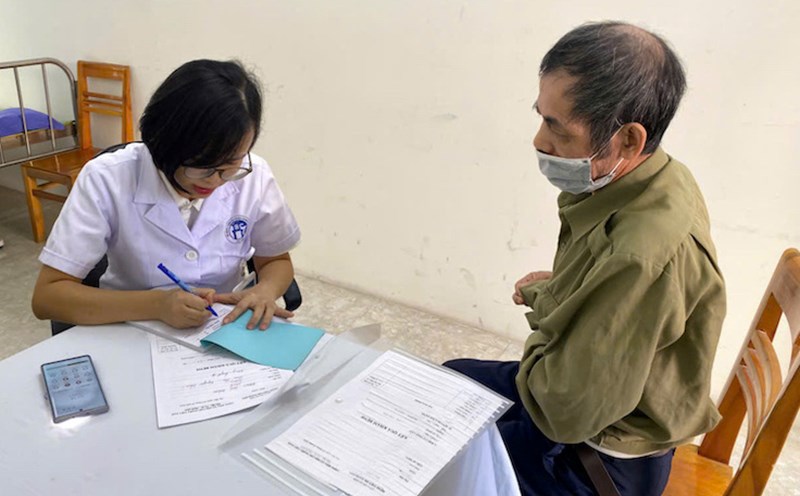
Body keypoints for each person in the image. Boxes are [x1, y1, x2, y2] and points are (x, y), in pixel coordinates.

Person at [445, 21, 726, 495]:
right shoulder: (659, 177)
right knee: (448, 384)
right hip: (593, 398)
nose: (539, 140)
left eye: (557, 128)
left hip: (600, 458)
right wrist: (562, 293)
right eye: (541, 116)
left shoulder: (640, 254)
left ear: (629, 140)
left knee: (447, 461)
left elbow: (565, 415)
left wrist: (552, 310)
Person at [31, 59, 301, 331]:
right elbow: (47, 298)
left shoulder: (254, 175)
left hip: (221, 331)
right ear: (162, 144)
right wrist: (156, 305)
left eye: (230, 165)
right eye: (203, 166)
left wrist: (264, 291)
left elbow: (276, 261)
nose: (217, 181)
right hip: (128, 328)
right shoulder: (107, 178)